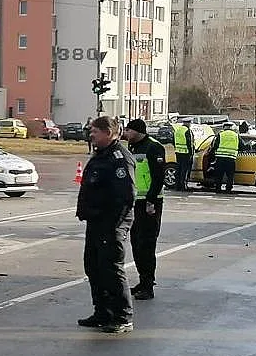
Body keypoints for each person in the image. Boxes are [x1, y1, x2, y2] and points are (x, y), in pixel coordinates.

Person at [76, 116, 135, 333]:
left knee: (111, 268)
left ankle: (122, 316)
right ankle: (102, 312)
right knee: (93, 266)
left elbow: (126, 195)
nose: (91, 135)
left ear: (108, 133)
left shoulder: (119, 158)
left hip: (111, 223)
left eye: (95, 132)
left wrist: (112, 222)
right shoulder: (101, 155)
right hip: (96, 222)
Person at [122, 119, 166, 300]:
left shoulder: (153, 147)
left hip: (150, 203)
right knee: (136, 243)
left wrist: (151, 201)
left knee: (147, 244)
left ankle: (148, 285)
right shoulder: (132, 147)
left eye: (128, 130)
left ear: (138, 131)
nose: (126, 133)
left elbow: (158, 177)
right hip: (135, 202)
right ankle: (142, 280)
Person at [214, 122, 239, 194]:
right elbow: (242, 146)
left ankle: (218, 188)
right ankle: (228, 189)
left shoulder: (220, 134)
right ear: (231, 127)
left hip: (220, 158)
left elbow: (215, 146)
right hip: (231, 159)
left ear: (224, 127)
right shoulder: (236, 135)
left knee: (219, 174)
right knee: (230, 175)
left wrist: (213, 153)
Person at [172, 119, 195, 192]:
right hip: (186, 153)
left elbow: (173, 141)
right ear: (188, 123)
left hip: (178, 152)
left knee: (178, 169)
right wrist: (191, 153)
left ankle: (177, 186)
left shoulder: (177, 130)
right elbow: (190, 143)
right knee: (184, 170)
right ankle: (183, 186)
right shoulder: (187, 131)